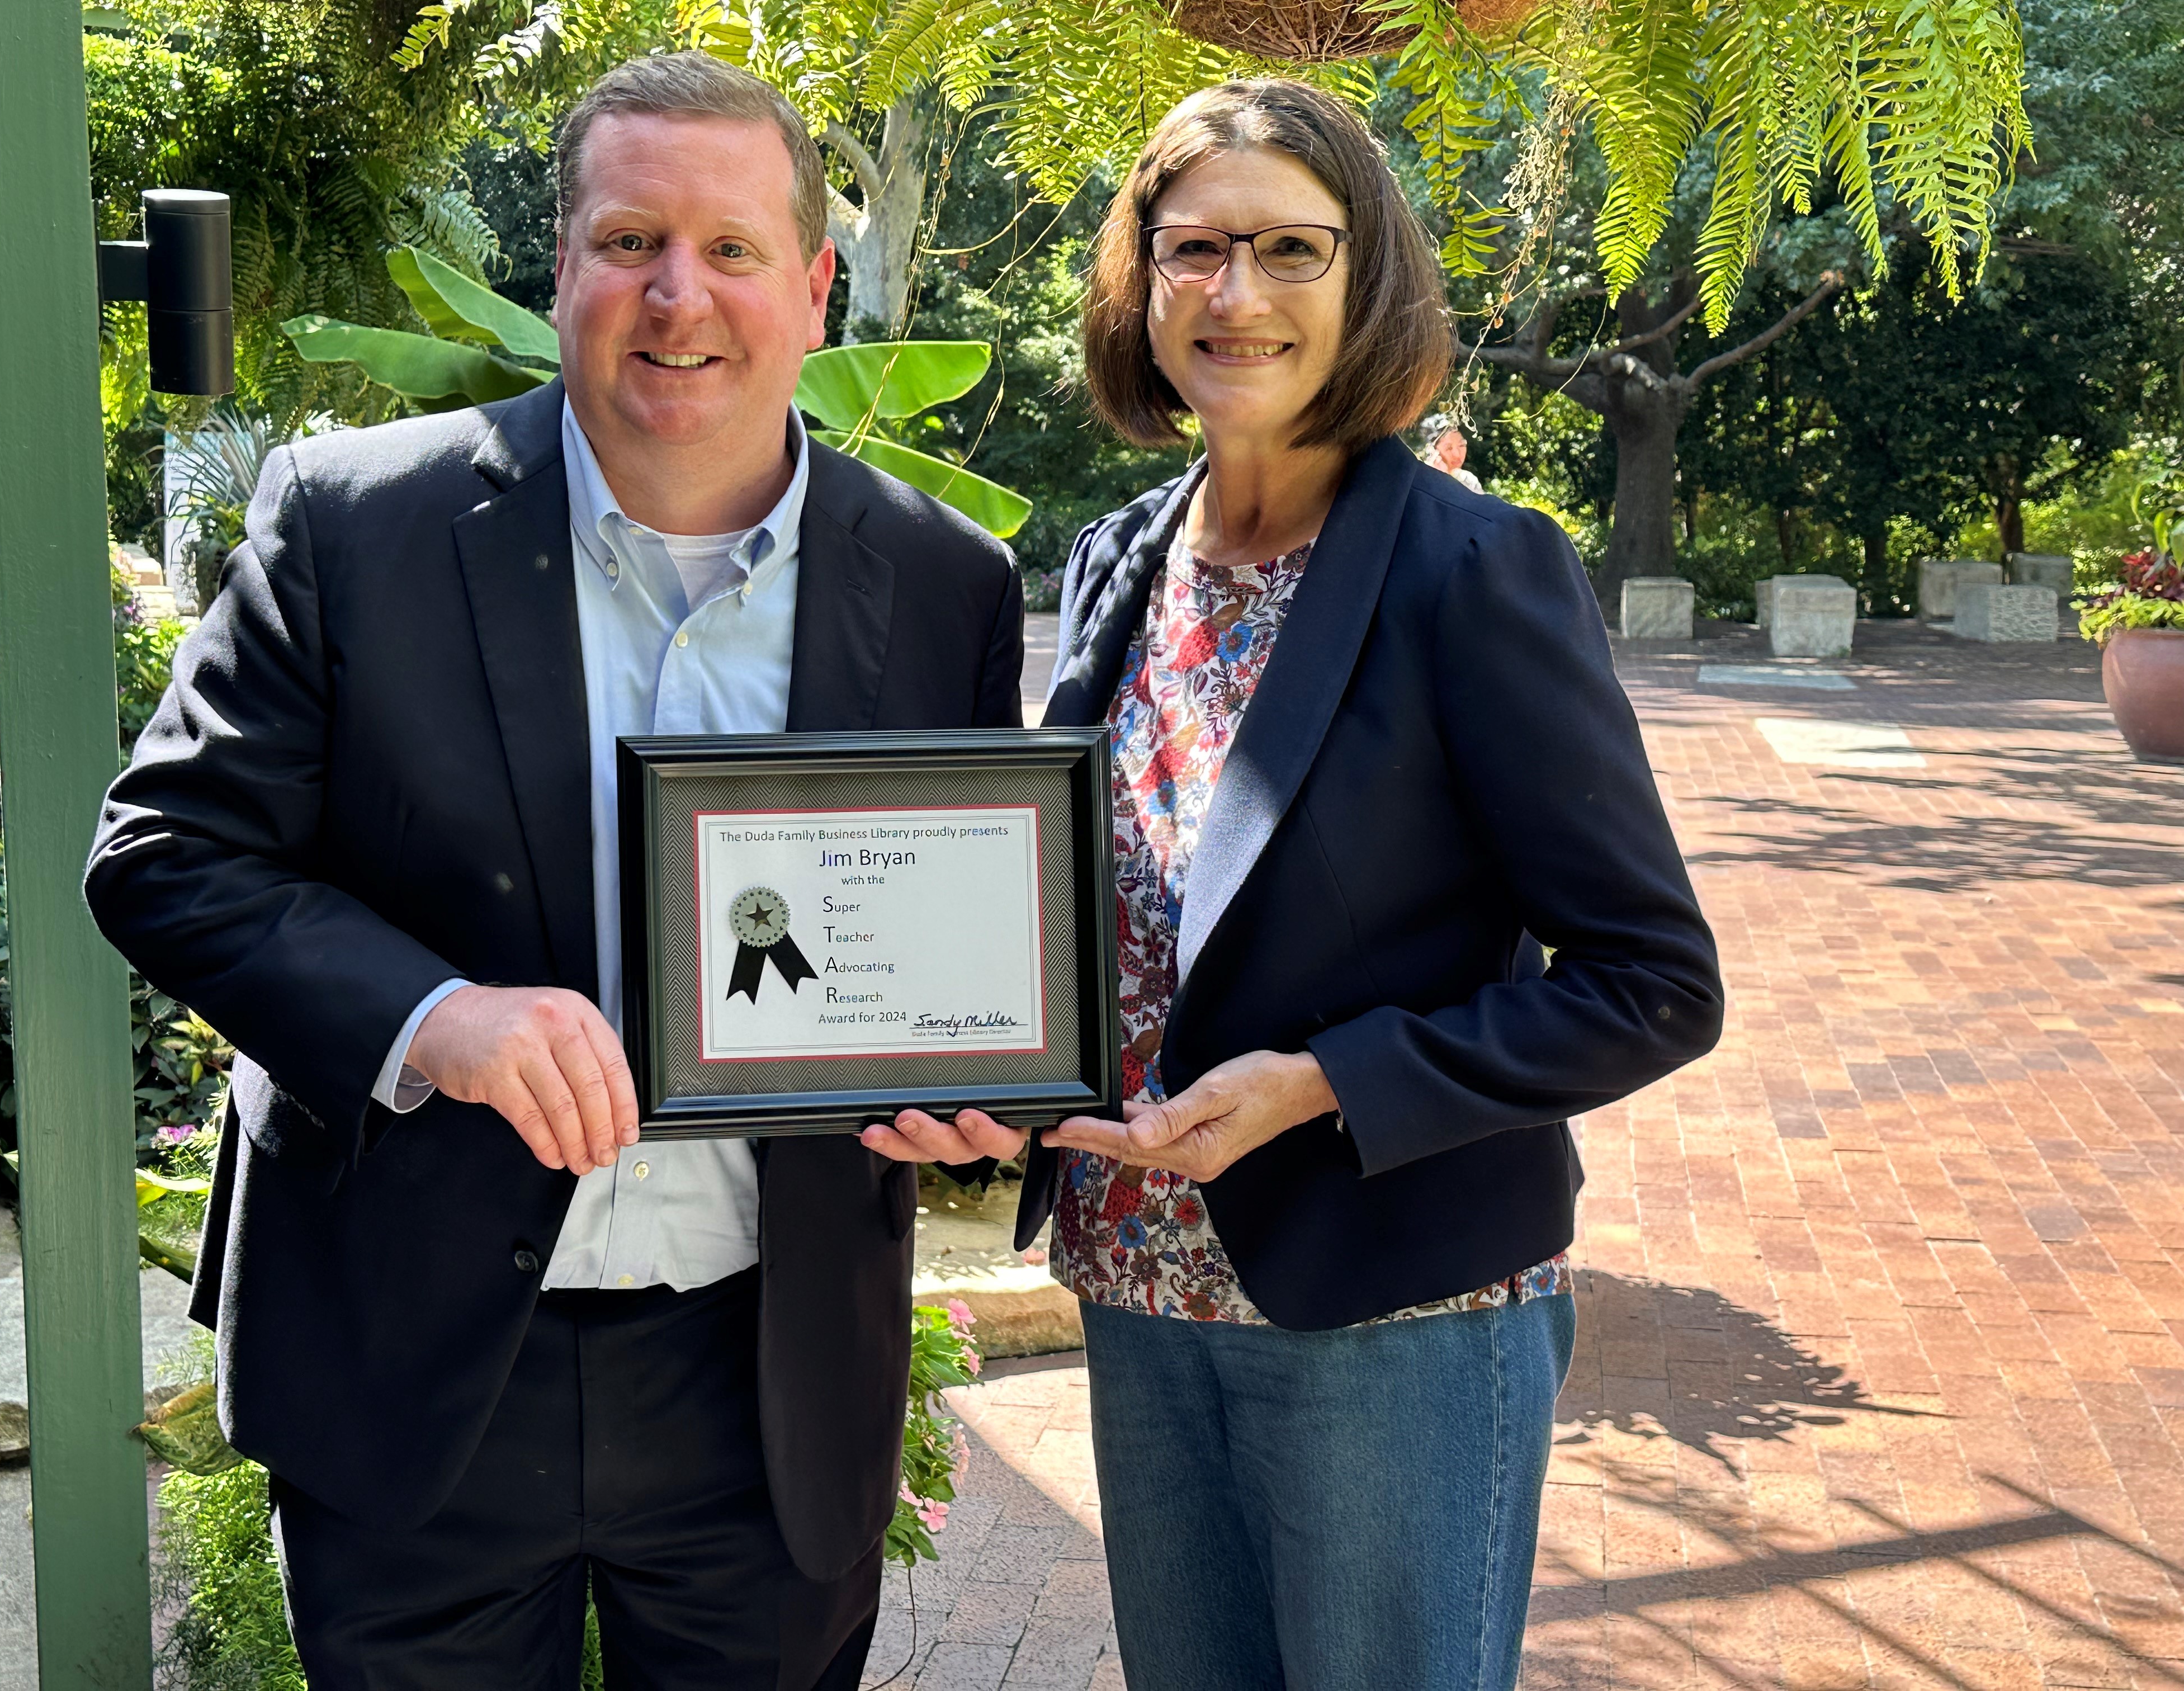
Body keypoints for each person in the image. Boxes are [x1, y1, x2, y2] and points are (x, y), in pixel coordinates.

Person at [86, 52, 1023, 1690]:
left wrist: (953, 1096)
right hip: (420, 1365)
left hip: (766, 1375)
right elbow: (164, 850)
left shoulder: (945, 580)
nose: (681, 296)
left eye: (733, 250)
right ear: (565, 264)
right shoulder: (352, 525)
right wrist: (432, 1018)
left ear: (813, 288)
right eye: (629, 240)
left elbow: (933, 935)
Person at [876, 80, 1724, 1690]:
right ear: (1141, 283)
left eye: (1289, 248)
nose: (1237, 294)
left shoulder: (1475, 569)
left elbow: (1655, 985)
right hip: (1140, 1280)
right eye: (1194, 250)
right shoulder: (1124, 555)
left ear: (1367, 275)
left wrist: (1329, 1082)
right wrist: (971, 1076)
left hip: (1392, 1315)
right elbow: (1094, 921)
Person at [1427, 413, 1483, 492]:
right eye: (1448, 448)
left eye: (1462, 445)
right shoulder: (1423, 477)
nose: (1457, 454)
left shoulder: (1468, 480)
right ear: (1433, 451)